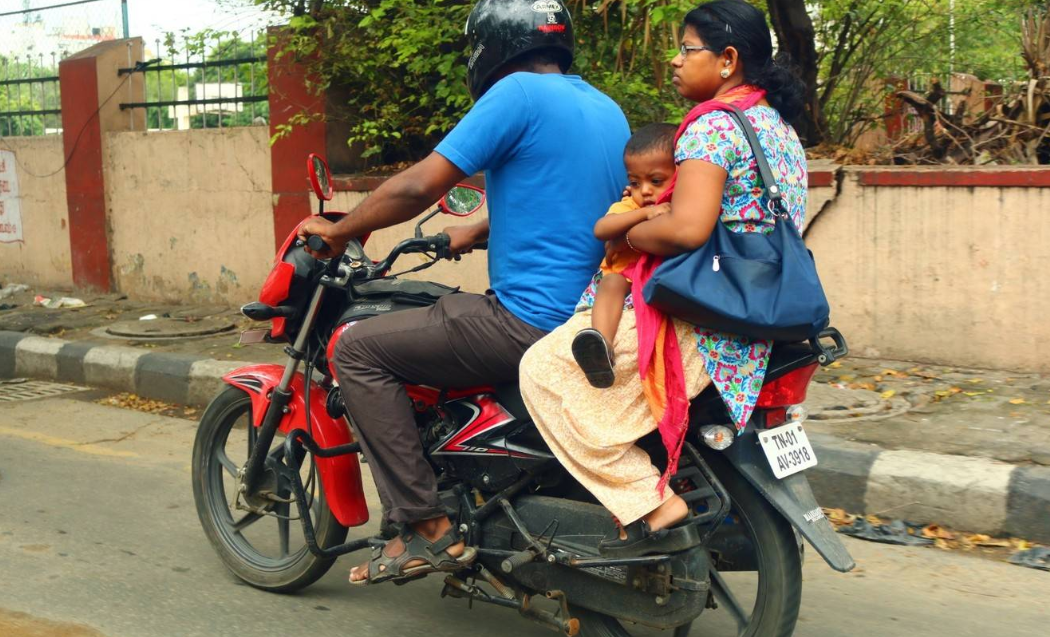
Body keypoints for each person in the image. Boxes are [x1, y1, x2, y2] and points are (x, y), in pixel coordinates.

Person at [297, 0, 630, 585]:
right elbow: (567, 199)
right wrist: (475, 229)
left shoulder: (516, 96)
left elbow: (421, 183)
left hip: (528, 321)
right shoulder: (603, 107)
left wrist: (340, 228)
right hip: (596, 318)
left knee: (355, 349)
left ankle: (423, 527)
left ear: (488, 47)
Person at [519, 0, 809, 556]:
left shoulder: (712, 128)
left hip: (704, 318)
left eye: (685, 48)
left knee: (542, 370)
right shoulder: (775, 125)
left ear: (727, 60)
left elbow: (687, 230)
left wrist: (627, 236)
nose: (675, 60)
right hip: (760, 310)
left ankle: (648, 501)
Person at [572, 123, 677, 389]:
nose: (644, 191)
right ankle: (600, 346)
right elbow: (601, 229)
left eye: (655, 181)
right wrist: (643, 213)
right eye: (634, 182)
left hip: (658, 282)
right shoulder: (630, 205)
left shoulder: (683, 206)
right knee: (612, 282)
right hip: (624, 281)